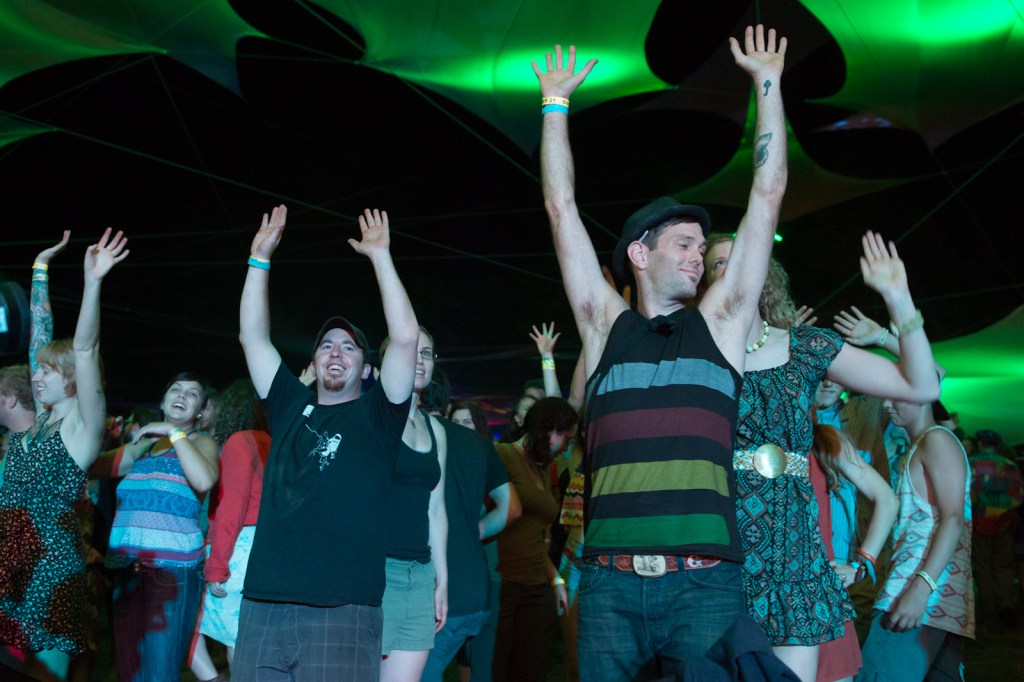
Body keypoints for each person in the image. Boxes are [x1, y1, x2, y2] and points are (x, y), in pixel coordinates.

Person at [533, 25, 789, 679]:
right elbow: (561, 208)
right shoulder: (604, 329)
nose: (698, 254)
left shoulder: (721, 324)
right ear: (640, 254)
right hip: (611, 590)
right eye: (683, 242)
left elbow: (767, 194)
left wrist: (768, 82)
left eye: (702, 247)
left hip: (703, 589)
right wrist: (555, 107)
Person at [702, 230, 939, 680]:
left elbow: (924, 385)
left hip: (793, 562)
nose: (733, 269)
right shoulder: (693, 355)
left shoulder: (805, 347)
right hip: (716, 559)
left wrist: (898, 298)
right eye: (719, 263)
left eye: (743, 258)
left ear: (764, 273)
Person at [234, 205, 419, 681]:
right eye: (326, 346)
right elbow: (253, 338)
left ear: (365, 368)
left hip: (345, 607)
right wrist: (258, 262)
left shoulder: (380, 413)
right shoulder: (289, 405)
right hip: (265, 600)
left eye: (349, 347)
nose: (336, 353)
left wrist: (381, 258)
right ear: (314, 363)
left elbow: (405, 338)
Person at [0, 229, 127, 677]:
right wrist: (40, 269)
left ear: (73, 378)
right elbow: (41, 331)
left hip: (49, 570)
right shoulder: (38, 421)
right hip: (9, 561)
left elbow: (85, 346)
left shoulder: (82, 428)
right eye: (38, 371)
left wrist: (92, 282)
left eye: (49, 372)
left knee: (38, 676)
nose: (37, 377)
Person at [100, 372, 219, 681]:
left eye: (192, 394)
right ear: (163, 400)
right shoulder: (142, 447)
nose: (182, 395)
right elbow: (86, 466)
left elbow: (204, 479)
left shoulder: (200, 442)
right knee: (130, 672)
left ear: (201, 410)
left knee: (160, 675)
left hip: (171, 575)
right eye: (175, 389)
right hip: (128, 570)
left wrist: (174, 432)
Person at [857, 400, 974, 681]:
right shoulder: (923, 442)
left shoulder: (937, 440)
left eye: (896, 394)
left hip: (915, 595)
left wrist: (920, 590)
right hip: (932, 599)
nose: (886, 403)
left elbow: (953, 519)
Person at [420, 371, 520, 682]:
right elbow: (512, 507)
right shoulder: (477, 443)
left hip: (434, 589)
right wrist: (472, 530)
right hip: (476, 588)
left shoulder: (410, 438)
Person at [377, 328, 449, 681]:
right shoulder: (372, 416)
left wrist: (443, 579)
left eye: (427, 353)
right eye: (410, 350)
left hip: (419, 575)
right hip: (375, 570)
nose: (420, 360)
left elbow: (436, 509)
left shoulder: (436, 430)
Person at [190, 379, 270, 682]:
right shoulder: (272, 442)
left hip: (239, 550)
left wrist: (216, 567)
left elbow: (230, 510)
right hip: (265, 551)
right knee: (248, 642)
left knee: (191, 624)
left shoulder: (241, 441)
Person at [492, 397, 576, 682]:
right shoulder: (503, 455)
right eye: (565, 437)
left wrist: (555, 579)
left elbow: (538, 537)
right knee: (496, 668)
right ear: (548, 429)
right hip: (504, 582)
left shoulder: (542, 468)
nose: (565, 446)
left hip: (536, 586)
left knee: (530, 671)